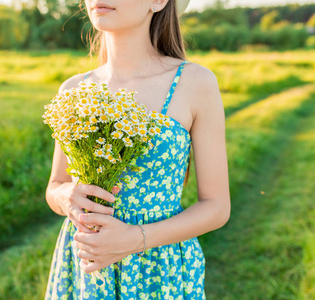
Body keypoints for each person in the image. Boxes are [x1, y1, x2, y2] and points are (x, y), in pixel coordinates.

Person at [44, 0, 231, 298]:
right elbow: (56, 186)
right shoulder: (73, 90)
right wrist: (66, 197)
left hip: (159, 267)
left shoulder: (194, 83)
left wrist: (134, 239)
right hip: (86, 266)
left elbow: (217, 207)